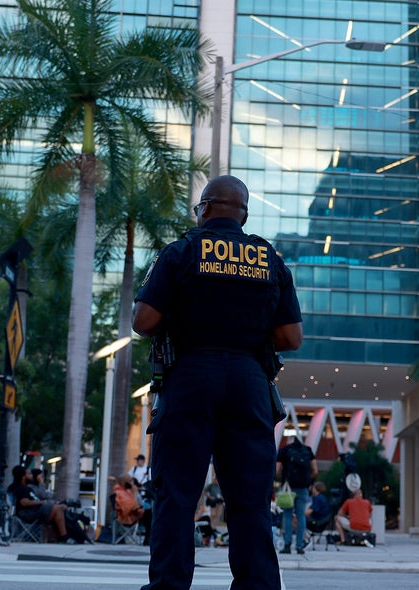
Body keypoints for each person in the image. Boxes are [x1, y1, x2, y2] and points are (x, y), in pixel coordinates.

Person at [133, 175, 303, 590]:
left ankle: (169, 587)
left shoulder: (182, 252)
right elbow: (291, 338)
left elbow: (144, 322)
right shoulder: (269, 258)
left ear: (206, 207)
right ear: (243, 213)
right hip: (249, 383)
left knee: (177, 496)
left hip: (191, 377)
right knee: (249, 501)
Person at [275, 436, 318, 554]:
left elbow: (277, 470)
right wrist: (307, 481)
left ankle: (287, 545)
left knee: (288, 515)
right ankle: (299, 546)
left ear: (288, 441)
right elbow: (315, 470)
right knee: (301, 516)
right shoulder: (307, 450)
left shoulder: (284, 450)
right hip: (303, 488)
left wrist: (284, 479)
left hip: (288, 488)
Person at [10, 465, 68, 542]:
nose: (31, 476)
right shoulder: (21, 488)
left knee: (59, 509)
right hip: (27, 513)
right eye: (29, 474)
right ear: (23, 477)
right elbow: (25, 503)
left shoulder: (28, 488)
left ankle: (62, 537)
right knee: (58, 509)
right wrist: (41, 502)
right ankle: (63, 536)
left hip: (36, 510)